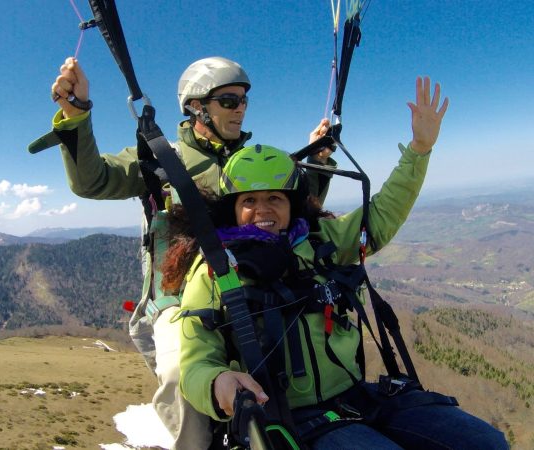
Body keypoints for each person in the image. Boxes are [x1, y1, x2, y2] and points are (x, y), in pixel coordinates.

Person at [174, 78, 509, 449]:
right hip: (292, 417)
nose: (263, 209)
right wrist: (216, 382)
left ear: (293, 204)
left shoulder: (320, 240)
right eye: (248, 200)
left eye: (275, 198)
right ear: (232, 209)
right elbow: (195, 359)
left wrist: (419, 149)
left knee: (486, 441)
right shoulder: (214, 271)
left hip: (358, 398)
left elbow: (380, 215)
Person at [30, 55, 335, 449]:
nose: (240, 108)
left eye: (243, 100)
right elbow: (94, 181)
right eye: (228, 100)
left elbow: (291, 212)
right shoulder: (162, 159)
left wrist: (316, 165)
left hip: (253, 282)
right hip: (184, 296)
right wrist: (76, 116)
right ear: (196, 107)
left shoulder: (252, 159)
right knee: (180, 372)